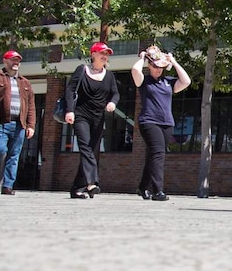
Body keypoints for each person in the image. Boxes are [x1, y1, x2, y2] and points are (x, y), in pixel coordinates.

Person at [131, 45, 192, 201]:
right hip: (149, 121)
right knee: (158, 153)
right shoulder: (144, 81)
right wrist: (143, 58)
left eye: (161, 67)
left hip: (167, 123)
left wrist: (174, 62)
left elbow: (186, 81)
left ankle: (143, 187)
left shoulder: (168, 82)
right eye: (155, 66)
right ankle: (157, 191)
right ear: (150, 66)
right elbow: (135, 71)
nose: (158, 69)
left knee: (154, 155)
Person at [64, 41, 120, 199]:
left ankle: (76, 188)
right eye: (102, 53)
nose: (105, 56)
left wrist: (112, 103)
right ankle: (91, 183)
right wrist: (69, 110)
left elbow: (115, 94)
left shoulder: (109, 76)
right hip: (81, 115)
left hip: (98, 118)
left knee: (91, 151)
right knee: (86, 149)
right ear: (93, 54)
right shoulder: (82, 70)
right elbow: (70, 90)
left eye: (107, 54)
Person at [0, 50, 36, 195]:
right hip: (1, 123)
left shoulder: (24, 82)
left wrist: (31, 125)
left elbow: (31, 105)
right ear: (5, 61)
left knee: (14, 155)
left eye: (18, 61)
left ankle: (8, 186)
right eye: (13, 60)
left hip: (19, 124)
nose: (16, 63)